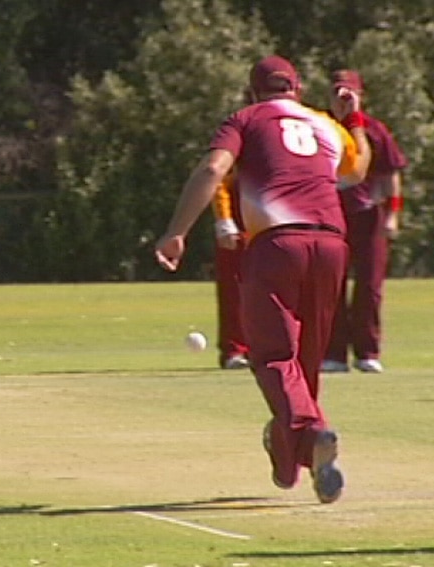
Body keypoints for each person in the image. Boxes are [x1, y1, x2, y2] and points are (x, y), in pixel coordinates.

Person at [155, 55, 371, 503]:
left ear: (254, 91)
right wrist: (353, 118)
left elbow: (214, 169)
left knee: (274, 356)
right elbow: (358, 170)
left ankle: (310, 438)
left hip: (276, 244)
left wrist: (176, 232)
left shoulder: (245, 119)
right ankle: (293, 458)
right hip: (332, 243)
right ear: (296, 87)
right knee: (304, 365)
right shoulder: (324, 123)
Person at [321, 70, 408, 374]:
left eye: (349, 94)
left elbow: (390, 174)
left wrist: (393, 214)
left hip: (368, 215)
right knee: (332, 286)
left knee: (369, 287)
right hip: (329, 216)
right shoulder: (320, 125)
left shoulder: (374, 129)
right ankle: (333, 354)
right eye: (337, 93)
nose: (342, 100)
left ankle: (367, 352)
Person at [212, 172, 249, 370]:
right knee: (233, 290)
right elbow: (219, 180)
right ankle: (235, 350)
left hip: (276, 220)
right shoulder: (236, 143)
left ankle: (269, 348)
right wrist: (224, 219)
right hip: (239, 223)